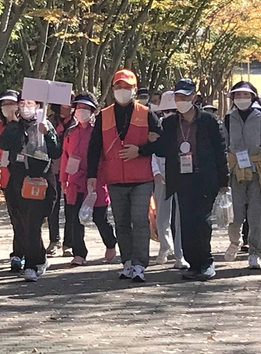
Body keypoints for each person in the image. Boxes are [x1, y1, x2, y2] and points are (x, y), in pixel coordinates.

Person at [86, 69, 163, 283]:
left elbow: (162, 143)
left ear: (135, 90)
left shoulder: (146, 113)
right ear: (112, 90)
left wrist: (140, 150)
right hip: (115, 179)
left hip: (141, 178)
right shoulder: (104, 115)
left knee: (139, 220)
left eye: (127, 87)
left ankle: (140, 264)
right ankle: (127, 262)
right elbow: (94, 147)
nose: (122, 91)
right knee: (121, 222)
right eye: (118, 87)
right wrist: (91, 175)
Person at [154, 79, 229, 280]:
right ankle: (193, 263)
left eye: (186, 96)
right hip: (181, 179)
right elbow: (161, 150)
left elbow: (220, 151)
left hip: (205, 178)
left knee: (201, 221)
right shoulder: (169, 123)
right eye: (178, 96)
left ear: (194, 97)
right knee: (186, 223)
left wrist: (224, 181)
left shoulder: (209, 121)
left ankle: (206, 262)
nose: (181, 100)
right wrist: (149, 141)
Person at [0, 96, 63, 282]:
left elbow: (56, 151)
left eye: (30, 104)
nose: (26, 107)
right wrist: (15, 127)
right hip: (18, 180)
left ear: (38, 106)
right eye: (22, 103)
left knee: (33, 223)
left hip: (40, 180)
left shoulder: (46, 126)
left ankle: (32, 266)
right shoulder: (14, 126)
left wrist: (46, 134)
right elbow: (3, 144)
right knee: (24, 224)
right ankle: (40, 258)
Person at [222, 81, 261, 270]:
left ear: (253, 97)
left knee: (255, 214)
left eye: (246, 95)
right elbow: (224, 147)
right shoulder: (228, 119)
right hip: (235, 171)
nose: (242, 99)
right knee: (236, 215)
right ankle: (235, 241)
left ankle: (254, 253)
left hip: (256, 171)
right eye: (238, 96)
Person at [58, 92, 117, 266]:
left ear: (92, 111)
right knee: (74, 218)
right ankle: (79, 253)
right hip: (74, 181)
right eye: (79, 108)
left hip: (96, 180)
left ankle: (110, 242)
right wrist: (64, 179)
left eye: (85, 108)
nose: (81, 111)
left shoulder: (99, 132)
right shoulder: (70, 133)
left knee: (100, 217)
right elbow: (65, 157)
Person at [151, 91, 188, 269]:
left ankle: (180, 254)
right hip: (162, 178)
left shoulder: (186, 128)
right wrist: (156, 172)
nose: (169, 114)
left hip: (181, 176)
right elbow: (152, 152)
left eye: (172, 110)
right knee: (161, 217)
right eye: (165, 111)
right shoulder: (157, 128)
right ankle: (165, 247)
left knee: (180, 218)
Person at [0, 90, 28, 272]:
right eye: (4, 104)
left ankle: (28, 253)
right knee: (15, 218)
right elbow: (0, 151)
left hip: (25, 177)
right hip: (8, 179)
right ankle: (18, 254)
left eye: (11, 103)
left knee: (27, 218)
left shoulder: (25, 125)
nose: (8, 107)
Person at [47, 102, 74, 256]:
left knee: (70, 207)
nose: (66, 107)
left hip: (71, 170)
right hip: (53, 169)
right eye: (63, 104)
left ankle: (69, 243)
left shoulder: (76, 122)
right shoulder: (49, 121)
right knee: (53, 206)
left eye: (69, 104)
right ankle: (54, 240)